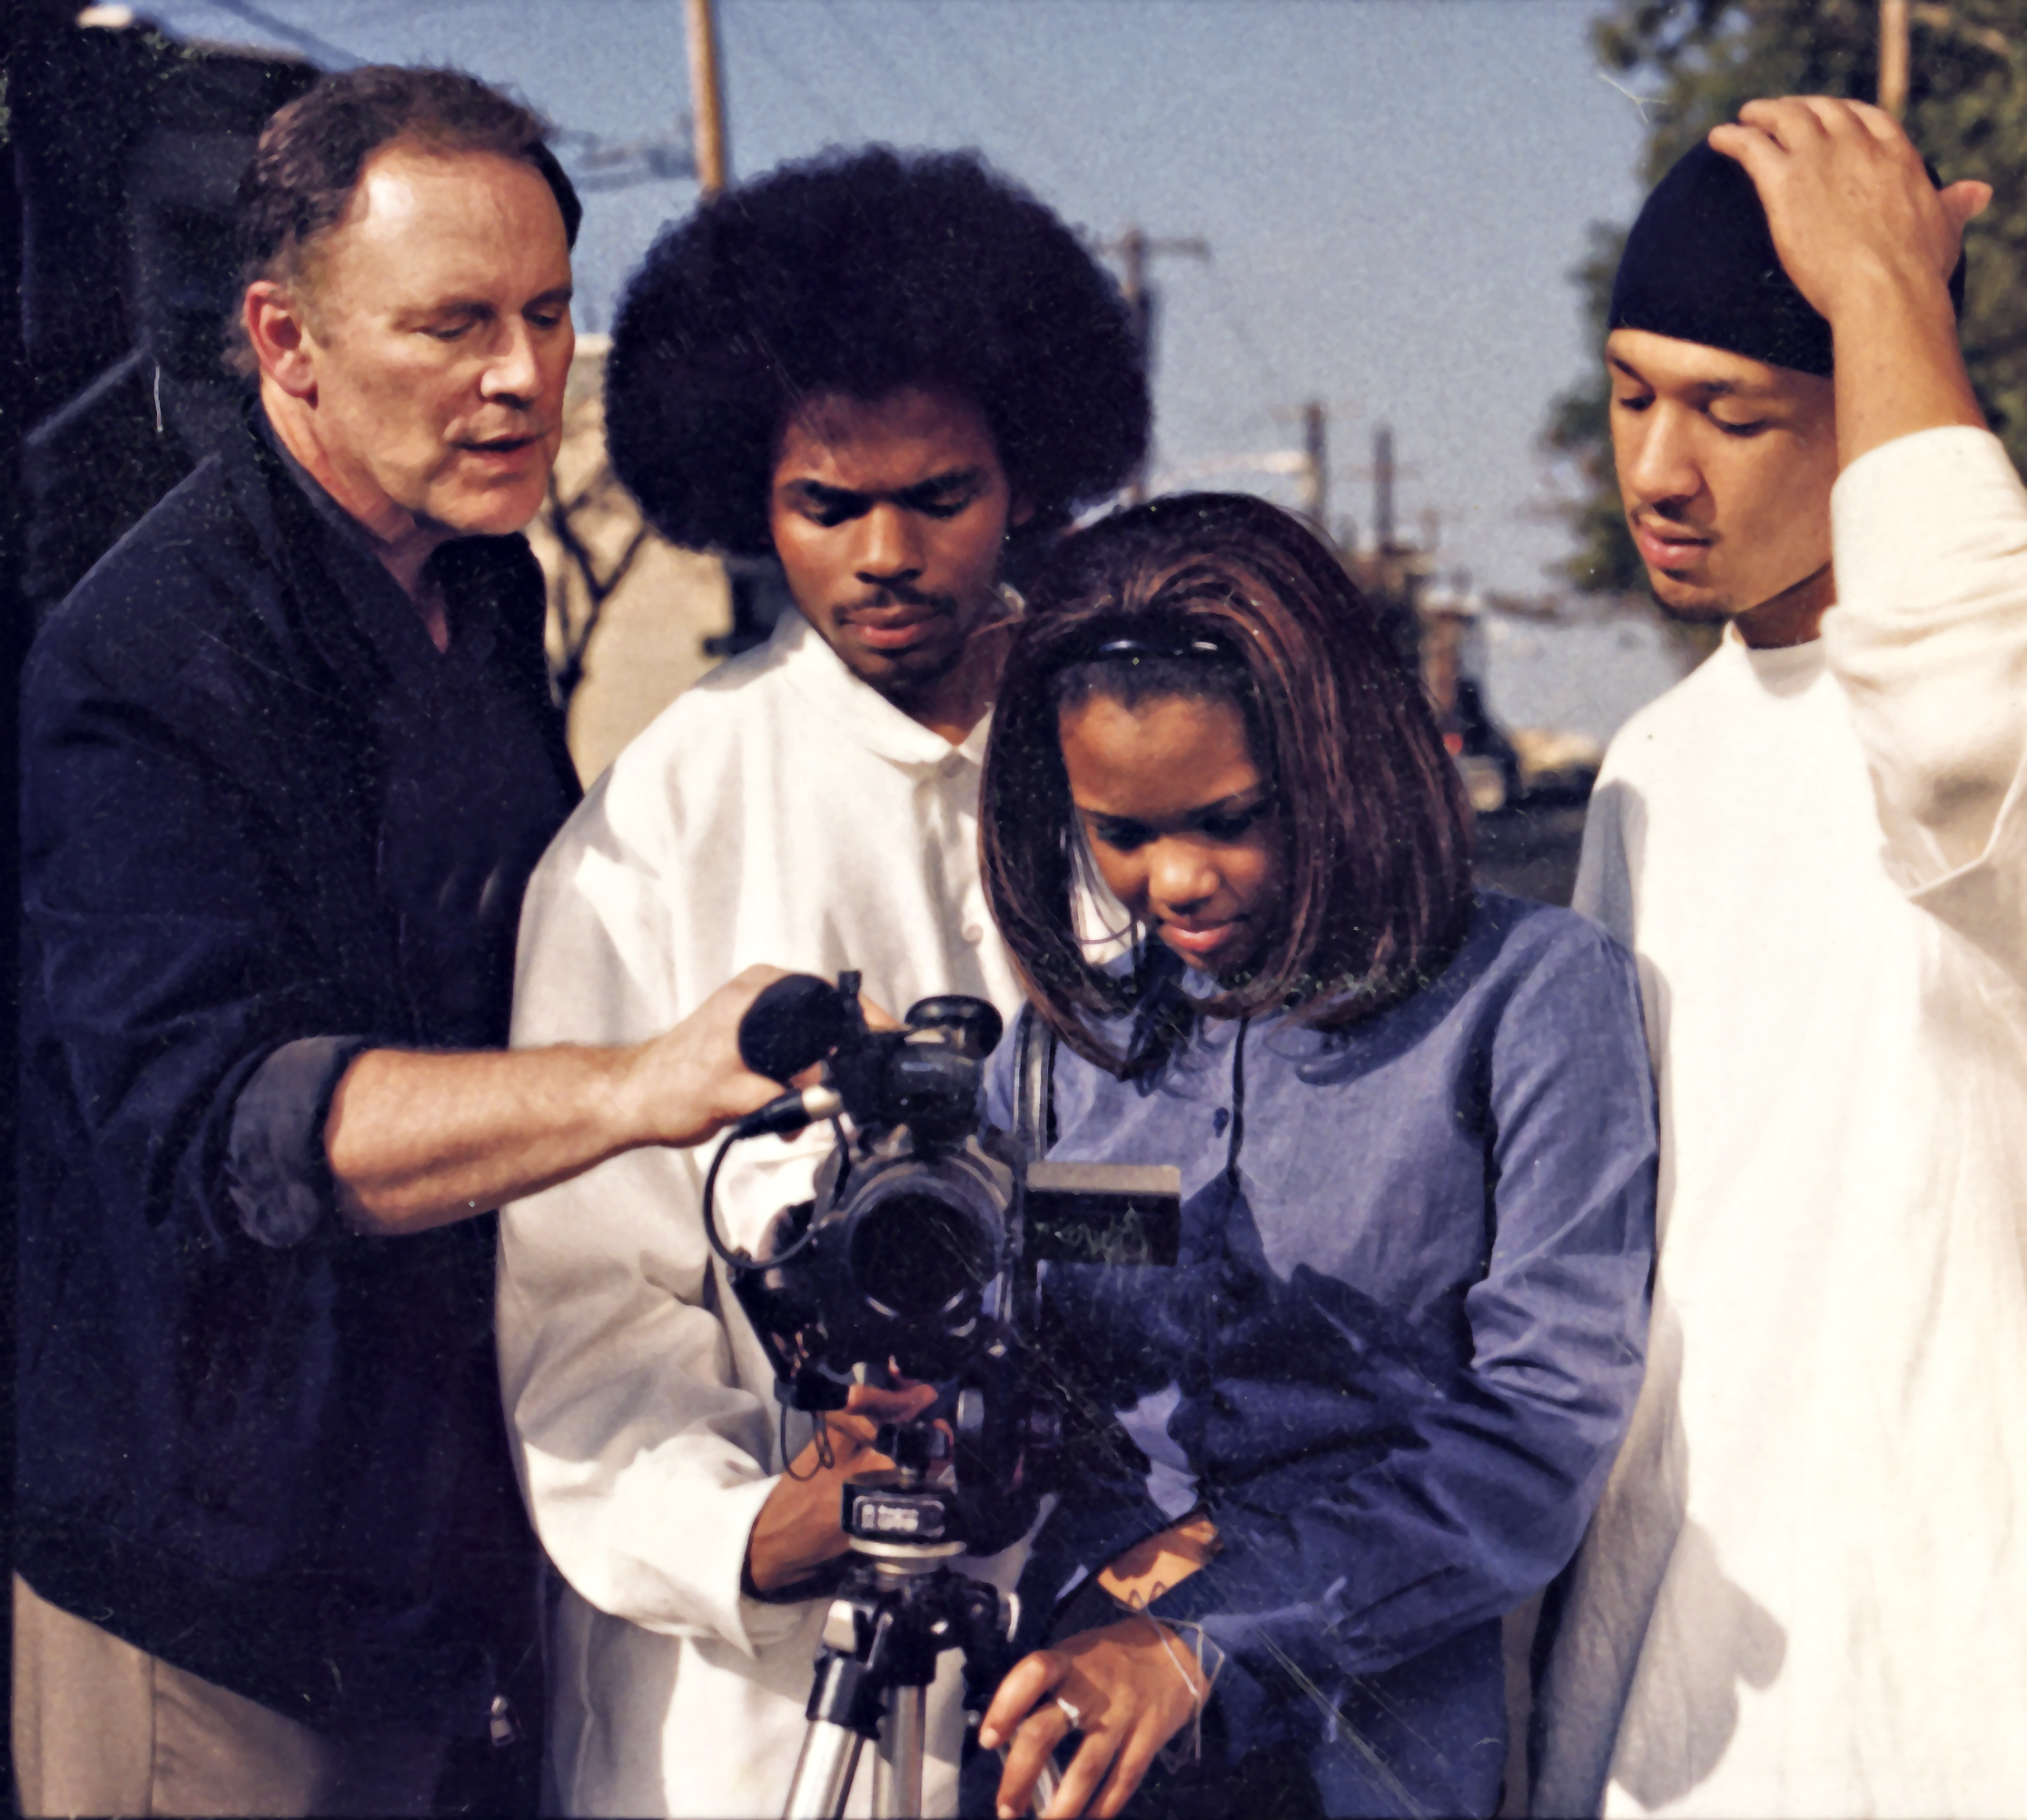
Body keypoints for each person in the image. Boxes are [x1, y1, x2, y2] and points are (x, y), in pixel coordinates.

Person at [16, 66, 802, 1819]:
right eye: (452, 326)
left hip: (452, 1556)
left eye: (545, 312)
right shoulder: (143, 654)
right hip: (215, 1592)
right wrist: (638, 1086)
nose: (524, 377)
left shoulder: (484, 576)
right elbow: (237, 1134)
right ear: (283, 340)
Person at [1528, 101, 2027, 1818]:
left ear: (1885, 396)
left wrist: (1889, 283)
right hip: (1684, 1684)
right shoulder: (1655, 768)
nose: (1660, 469)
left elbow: (1964, 713)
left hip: (1992, 1672)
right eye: (1631, 394)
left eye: (1733, 411)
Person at [495, 145, 1149, 1815]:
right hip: (758, 1717)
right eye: (826, 505)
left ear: (1030, 480)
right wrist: (751, 1523)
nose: (883, 555)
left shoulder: (1140, 768)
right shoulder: (665, 819)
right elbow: (584, 1302)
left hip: (1096, 1650)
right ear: (747, 494)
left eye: (939, 497)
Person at [959, 491, 1660, 1820]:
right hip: (1070, 1735)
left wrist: (1214, 1637)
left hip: (1376, 1736)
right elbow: (1012, 1389)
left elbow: (1539, 1431)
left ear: (1341, 761)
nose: (1174, 882)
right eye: (1122, 834)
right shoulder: (1053, 1058)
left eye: (1228, 819)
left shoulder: (1529, 1000)